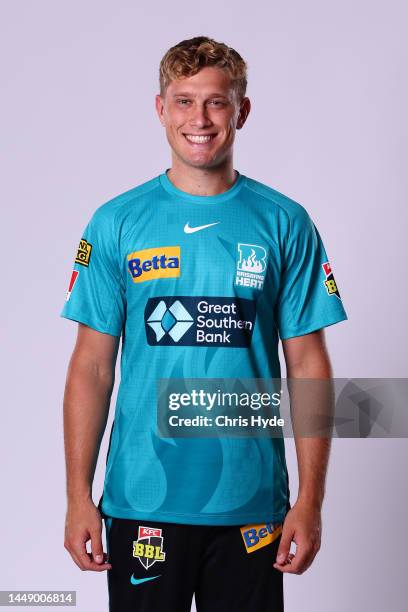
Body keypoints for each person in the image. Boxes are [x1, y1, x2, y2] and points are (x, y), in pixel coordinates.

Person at [61, 36, 348, 612]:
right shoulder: (116, 222)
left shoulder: (285, 222)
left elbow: (308, 364)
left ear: (241, 110)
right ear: (160, 108)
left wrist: (310, 500)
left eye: (216, 102)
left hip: (252, 508)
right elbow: (91, 366)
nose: (200, 118)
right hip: (142, 502)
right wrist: (77, 497)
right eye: (185, 100)